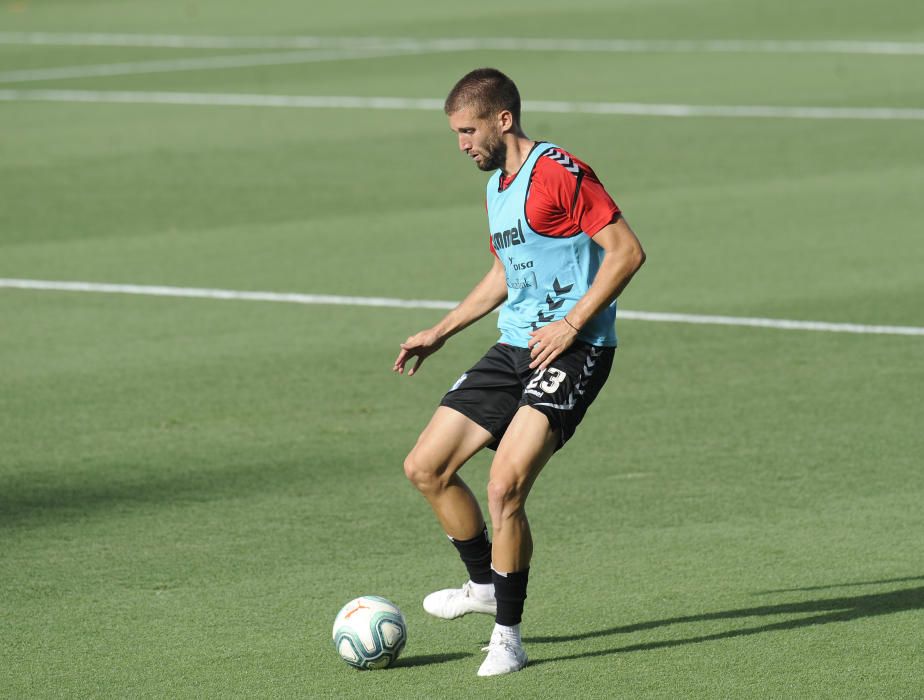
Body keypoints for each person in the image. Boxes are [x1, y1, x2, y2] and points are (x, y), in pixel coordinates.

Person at [393, 67, 646, 677]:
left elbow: (627, 251)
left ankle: (508, 636)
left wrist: (572, 325)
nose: (461, 144)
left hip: (575, 349)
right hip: (516, 348)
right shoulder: (498, 186)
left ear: (502, 120)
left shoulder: (558, 171)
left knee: (505, 486)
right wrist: (441, 330)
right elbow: (509, 273)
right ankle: (482, 585)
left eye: (467, 130)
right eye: (455, 133)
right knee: (426, 467)